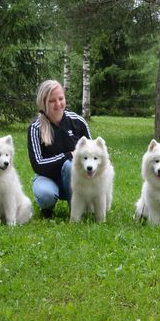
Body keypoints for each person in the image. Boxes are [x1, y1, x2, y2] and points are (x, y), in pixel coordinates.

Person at [27, 80, 91, 218]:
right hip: (47, 177)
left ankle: (76, 210)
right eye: (52, 101)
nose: (58, 104)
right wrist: (67, 155)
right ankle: (48, 208)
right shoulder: (35, 128)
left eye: (61, 98)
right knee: (46, 195)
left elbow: (93, 154)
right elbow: (38, 165)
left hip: (77, 180)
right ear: (43, 103)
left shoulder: (78, 121)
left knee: (69, 166)